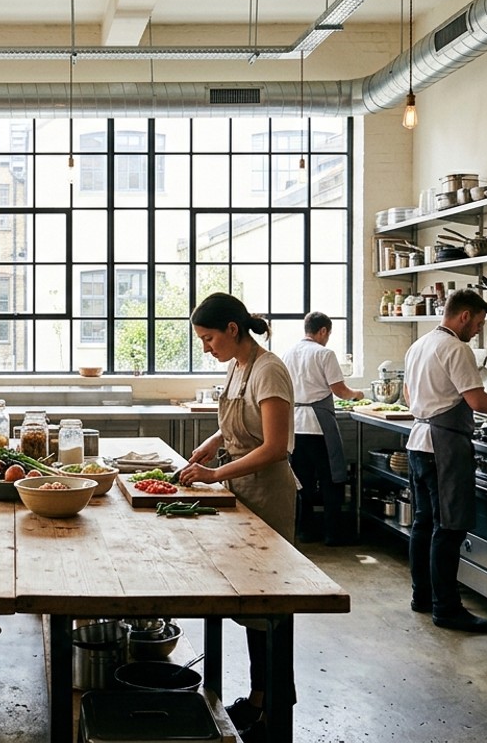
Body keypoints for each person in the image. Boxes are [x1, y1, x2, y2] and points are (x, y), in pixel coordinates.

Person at [179, 293, 296, 741]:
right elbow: (239, 422)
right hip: (242, 488)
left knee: (271, 608)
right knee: (250, 607)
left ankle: (275, 706)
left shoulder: (270, 369)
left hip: (268, 492)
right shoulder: (237, 366)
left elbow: (275, 446)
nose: (206, 348)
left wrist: (213, 473)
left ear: (232, 329)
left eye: (209, 339)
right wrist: (213, 442)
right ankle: (259, 697)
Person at [402, 289, 487, 633]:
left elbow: (407, 395)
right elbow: (476, 401)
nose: (478, 329)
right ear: (464, 315)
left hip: (418, 441)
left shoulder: (420, 344)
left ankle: (423, 596)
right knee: (449, 528)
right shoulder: (455, 348)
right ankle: (447, 609)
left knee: (424, 523)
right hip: (443, 446)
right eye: (478, 322)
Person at [282, 312, 364, 545]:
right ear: (323, 331)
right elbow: (340, 390)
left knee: (303, 481)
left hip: (295, 424)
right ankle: (332, 534)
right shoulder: (324, 353)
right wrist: (358, 394)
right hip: (318, 425)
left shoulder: (287, 353)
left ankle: (305, 532)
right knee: (332, 479)